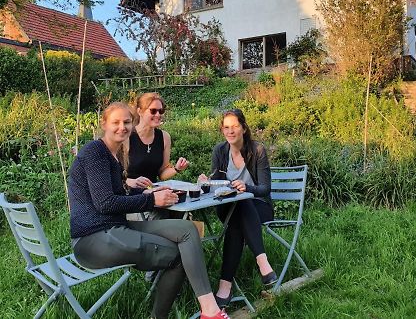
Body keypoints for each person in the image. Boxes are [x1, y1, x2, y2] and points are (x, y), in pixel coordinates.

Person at [68, 102, 229, 319]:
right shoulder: (95, 151)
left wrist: (147, 193)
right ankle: (187, 314)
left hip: (114, 228)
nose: (122, 127)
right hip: (92, 241)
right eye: (115, 122)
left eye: (126, 122)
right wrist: (152, 200)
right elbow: (105, 203)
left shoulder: (114, 157)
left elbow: (118, 199)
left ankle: (209, 310)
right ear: (104, 124)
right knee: (178, 255)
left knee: (187, 229)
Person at [199, 108, 277, 308]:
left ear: (243, 128)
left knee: (239, 213)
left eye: (234, 126)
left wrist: (246, 188)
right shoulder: (220, 151)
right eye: (226, 127)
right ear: (222, 130)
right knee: (238, 205)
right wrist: (206, 181)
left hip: (259, 206)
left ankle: (225, 285)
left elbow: (265, 188)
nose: (230, 131)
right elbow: (216, 183)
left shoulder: (256, 150)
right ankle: (263, 263)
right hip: (228, 207)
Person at [126, 92, 189, 190]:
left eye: (161, 111)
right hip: (128, 194)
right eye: (153, 111)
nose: (158, 114)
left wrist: (177, 169)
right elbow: (114, 176)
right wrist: (132, 182)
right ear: (140, 111)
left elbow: (162, 173)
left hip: (153, 194)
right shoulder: (126, 137)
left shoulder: (164, 137)